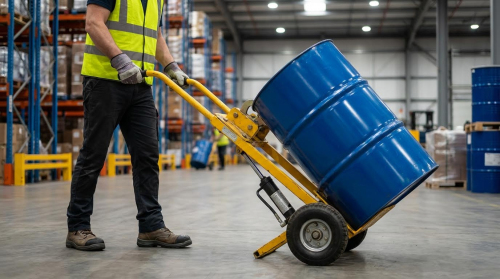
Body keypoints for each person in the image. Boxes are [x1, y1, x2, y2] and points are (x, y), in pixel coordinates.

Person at [66, 0, 192, 251]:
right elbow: (93, 23)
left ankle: (151, 227)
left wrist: (170, 66)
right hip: (105, 80)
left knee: (147, 155)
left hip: (141, 84)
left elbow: (153, 35)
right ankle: (78, 227)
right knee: (94, 155)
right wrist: (120, 60)